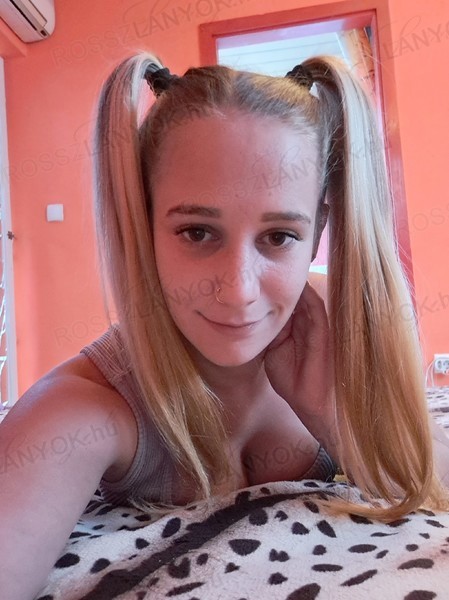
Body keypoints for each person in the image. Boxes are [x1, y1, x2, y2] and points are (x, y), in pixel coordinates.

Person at [1, 51, 448, 599]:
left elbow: (436, 481)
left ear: (317, 231)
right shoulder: (86, 408)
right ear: (142, 223)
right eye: (197, 232)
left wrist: (336, 418)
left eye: (279, 236)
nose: (239, 290)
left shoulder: (346, 333)